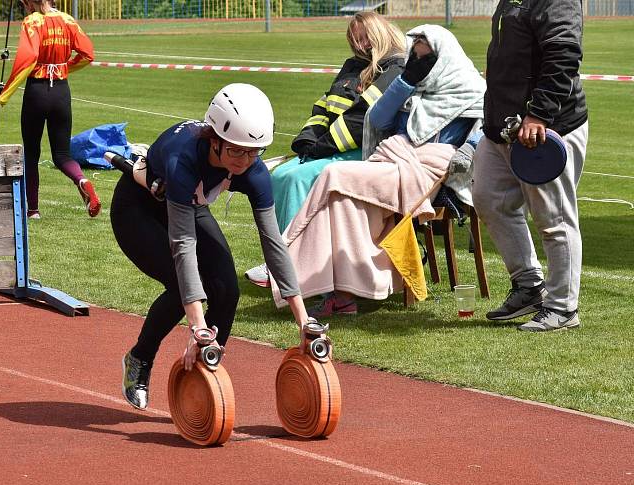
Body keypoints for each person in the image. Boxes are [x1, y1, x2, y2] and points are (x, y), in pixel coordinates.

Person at [110, 83, 312, 410]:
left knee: (227, 289)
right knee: (183, 286)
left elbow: (273, 242)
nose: (245, 161)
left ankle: (207, 367)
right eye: (236, 151)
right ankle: (139, 358)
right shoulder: (182, 160)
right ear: (213, 139)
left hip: (190, 204)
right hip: (138, 210)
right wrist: (198, 327)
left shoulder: (252, 169)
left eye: (253, 152)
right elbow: (183, 244)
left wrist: (303, 320)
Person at [270, 25, 485, 317]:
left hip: (429, 167)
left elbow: (483, 130)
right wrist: (407, 80)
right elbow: (379, 119)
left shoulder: (470, 87)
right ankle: (343, 294)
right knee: (341, 202)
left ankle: (286, 259)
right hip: (391, 159)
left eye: (424, 57)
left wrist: (468, 150)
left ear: (441, 55)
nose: (417, 60)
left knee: (335, 176)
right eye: (414, 55)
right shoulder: (413, 84)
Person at [244, 11, 405, 288]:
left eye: (364, 37)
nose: (360, 44)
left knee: (294, 179)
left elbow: (363, 119)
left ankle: (290, 265)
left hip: (366, 152)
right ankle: (281, 259)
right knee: (279, 175)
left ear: (379, 33)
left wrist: (321, 147)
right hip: (331, 147)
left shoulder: (395, 68)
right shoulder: (352, 66)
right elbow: (324, 106)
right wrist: (306, 139)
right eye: (355, 39)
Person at [472, 0, 588, 332]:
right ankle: (529, 285)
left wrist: (539, 113)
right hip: (503, 129)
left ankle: (563, 307)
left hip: (547, 128)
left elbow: (563, 54)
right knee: (488, 198)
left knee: (554, 219)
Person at [0, 0, 98, 220]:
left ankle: (33, 210)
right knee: (62, 155)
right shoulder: (67, 19)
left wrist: (6, 93)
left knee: (31, 155)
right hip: (62, 92)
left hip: (37, 92)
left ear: (29, 2)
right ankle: (82, 180)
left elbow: (28, 58)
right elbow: (88, 54)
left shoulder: (32, 21)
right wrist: (64, 67)